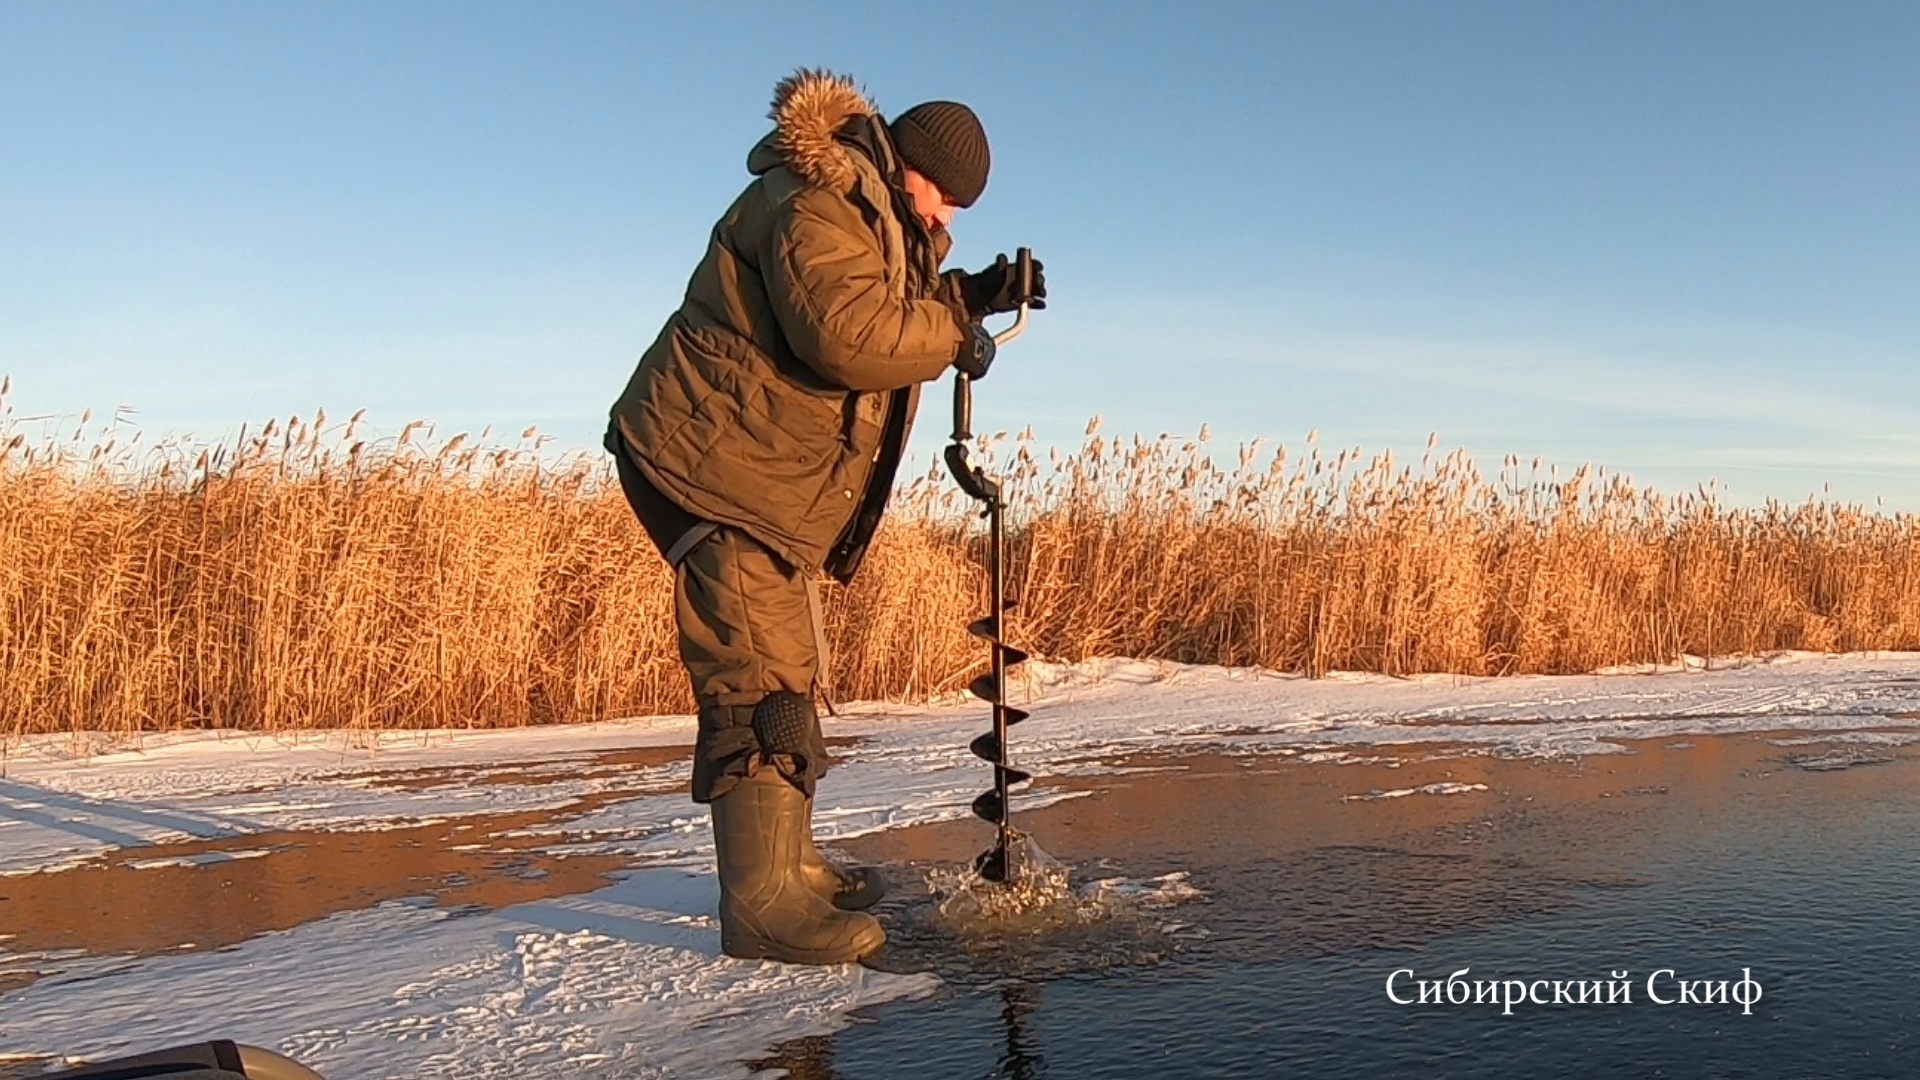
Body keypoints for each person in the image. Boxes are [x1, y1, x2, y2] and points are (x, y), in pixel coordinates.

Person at [606, 69, 1046, 965]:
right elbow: (847, 334)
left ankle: (789, 867)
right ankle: (764, 907)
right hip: (716, 471)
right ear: (909, 165)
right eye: (947, 197)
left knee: (789, 672)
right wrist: (950, 337)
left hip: (760, 482)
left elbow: (881, 303)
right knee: (757, 683)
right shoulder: (819, 195)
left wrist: (970, 296)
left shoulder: (865, 211)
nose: (948, 219)